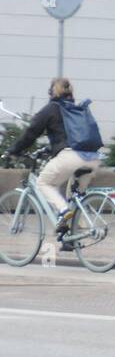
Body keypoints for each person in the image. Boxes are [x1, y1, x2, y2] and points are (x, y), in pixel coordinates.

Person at [4, 78, 102, 247]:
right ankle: (71, 239)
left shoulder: (52, 109)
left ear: (52, 92)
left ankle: (63, 212)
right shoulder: (75, 110)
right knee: (74, 197)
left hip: (71, 157)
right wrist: (51, 150)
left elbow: (31, 132)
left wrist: (13, 151)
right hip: (93, 158)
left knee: (44, 183)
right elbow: (67, 136)